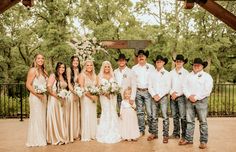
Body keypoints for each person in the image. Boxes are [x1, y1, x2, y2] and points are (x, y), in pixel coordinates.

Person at [179, 58, 213, 149]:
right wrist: (189, 96)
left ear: (202, 66)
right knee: (189, 121)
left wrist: (196, 97)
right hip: (189, 100)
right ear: (193, 66)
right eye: (194, 65)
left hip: (201, 101)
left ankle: (203, 141)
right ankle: (189, 139)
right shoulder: (188, 76)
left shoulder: (207, 76)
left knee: (203, 122)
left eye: (198, 65)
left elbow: (207, 90)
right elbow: (184, 87)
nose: (196, 66)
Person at [26, 53, 48, 147]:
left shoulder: (44, 71)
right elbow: (28, 84)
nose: (41, 60)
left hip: (43, 97)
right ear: (35, 59)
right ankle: (36, 139)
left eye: (42, 58)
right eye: (38, 58)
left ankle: (41, 136)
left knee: (42, 117)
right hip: (35, 97)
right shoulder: (33, 70)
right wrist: (37, 94)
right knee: (36, 117)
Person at [96, 61, 121, 144]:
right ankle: (105, 130)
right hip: (104, 97)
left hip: (112, 97)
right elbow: (98, 87)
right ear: (103, 67)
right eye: (105, 67)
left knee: (112, 111)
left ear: (110, 67)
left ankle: (114, 129)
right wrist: (104, 93)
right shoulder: (99, 76)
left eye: (108, 67)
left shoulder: (113, 75)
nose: (107, 68)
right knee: (106, 111)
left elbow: (116, 86)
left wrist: (112, 91)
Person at [132, 50, 155, 137]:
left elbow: (154, 80)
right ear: (137, 58)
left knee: (150, 112)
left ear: (146, 57)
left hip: (148, 92)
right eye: (139, 56)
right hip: (138, 92)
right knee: (140, 113)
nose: (141, 57)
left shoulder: (151, 67)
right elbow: (133, 82)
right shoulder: (134, 68)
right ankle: (141, 130)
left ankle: (152, 131)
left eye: (142, 56)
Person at [148, 55, 171, 143]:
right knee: (153, 116)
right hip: (153, 97)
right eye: (157, 62)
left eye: (160, 61)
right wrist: (154, 95)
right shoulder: (152, 73)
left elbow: (168, 87)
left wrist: (159, 95)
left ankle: (165, 135)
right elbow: (149, 86)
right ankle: (154, 133)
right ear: (156, 63)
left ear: (163, 63)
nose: (158, 63)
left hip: (163, 97)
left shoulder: (167, 74)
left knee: (165, 117)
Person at [47, 62, 69, 145]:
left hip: (62, 100)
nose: (62, 69)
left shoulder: (64, 77)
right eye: (60, 67)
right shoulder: (53, 75)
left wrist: (64, 96)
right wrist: (57, 97)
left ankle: (61, 136)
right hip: (54, 100)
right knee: (55, 117)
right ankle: (55, 137)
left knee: (61, 118)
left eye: (63, 67)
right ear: (57, 68)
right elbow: (48, 88)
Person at [169, 54, 189, 141]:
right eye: (177, 61)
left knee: (183, 116)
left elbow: (186, 86)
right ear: (175, 62)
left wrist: (178, 94)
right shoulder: (170, 73)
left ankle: (184, 135)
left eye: (180, 61)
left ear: (183, 62)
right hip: (172, 97)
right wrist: (172, 93)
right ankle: (175, 133)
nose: (178, 63)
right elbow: (168, 85)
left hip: (182, 97)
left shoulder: (186, 73)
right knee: (174, 116)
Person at [79, 60, 98, 141]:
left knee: (93, 114)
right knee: (86, 114)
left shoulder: (95, 76)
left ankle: (93, 134)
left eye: (91, 65)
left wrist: (95, 95)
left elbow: (97, 87)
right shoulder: (82, 75)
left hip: (93, 98)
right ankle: (86, 135)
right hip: (86, 98)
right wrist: (90, 96)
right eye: (87, 65)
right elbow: (82, 88)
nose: (89, 66)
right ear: (85, 67)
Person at [66, 56, 82, 142]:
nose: (76, 62)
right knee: (71, 113)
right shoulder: (69, 69)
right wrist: (74, 92)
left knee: (77, 114)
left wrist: (79, 92)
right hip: (72, 93)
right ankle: (71, 134)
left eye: (77, 60)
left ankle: (76, 133)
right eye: (74, 60)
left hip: (78, 93)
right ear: (71, 61)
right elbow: (69, 83)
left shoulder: (79, 70)